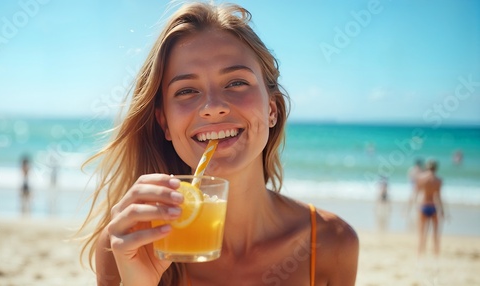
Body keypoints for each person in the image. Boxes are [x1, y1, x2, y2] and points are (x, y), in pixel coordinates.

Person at [79, 2, 358, 285]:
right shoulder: (127, 244)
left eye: (236, 83)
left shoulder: (332, 242)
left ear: (271, 109)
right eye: (187, 90)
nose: (212, 107)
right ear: (164, 122)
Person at [413, 159, 445, 257]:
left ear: (427, 167)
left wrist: (413, 206)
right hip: (433, 206)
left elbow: (416, 194)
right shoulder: (438, 180)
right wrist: (443, 210)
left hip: (423, 206)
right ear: (436, 168)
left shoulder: (421, 178)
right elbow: (438, 197)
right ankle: (436, 256)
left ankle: (419, 256)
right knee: (435, 235)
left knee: (422, 234)